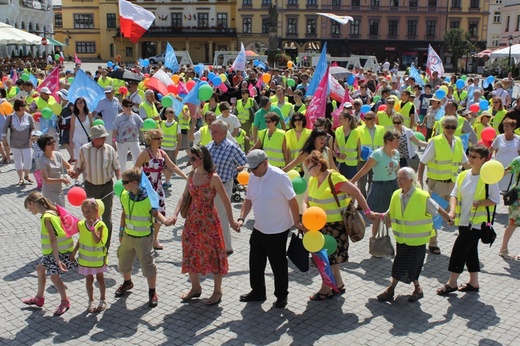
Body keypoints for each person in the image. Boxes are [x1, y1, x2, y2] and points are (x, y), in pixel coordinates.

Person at [303, 151, 376, 300]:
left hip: (334, 226)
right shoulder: (312, 180)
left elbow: (356, 191)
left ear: (318, 165)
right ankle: (339, 284)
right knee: (330, 259)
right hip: (318, 226)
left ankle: (325, 289)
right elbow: (305, 201)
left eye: (309, 168)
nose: (308, 172)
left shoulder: (334, 178)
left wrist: (367, 211)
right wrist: (306, 215)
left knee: (327, 259)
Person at [171, 146, 239, 305]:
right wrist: (174, 214)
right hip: (192, 221)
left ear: (202, 158)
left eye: (193, 158)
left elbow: (225, 200)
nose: (190, 161)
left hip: (209, 222)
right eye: (190, 159)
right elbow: (184, 195)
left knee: (213, 254)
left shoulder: (213, 178)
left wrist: (231, 221)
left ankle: (217, 291)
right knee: (190, 251)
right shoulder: (191, 175)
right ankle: (195, 288)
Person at [237, 150, 304, 308]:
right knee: (255, 262)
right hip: (259, 227)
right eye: (250, 168)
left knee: (278, 264)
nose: (251, 171)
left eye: (254, 168)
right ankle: (258, 292)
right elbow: (248, 200)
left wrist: (297, 221)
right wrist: (241, 218)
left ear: (265, 163)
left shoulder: (280, 177)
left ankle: (281, 295)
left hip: (277, 229)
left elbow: (293, 201)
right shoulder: (253, 176)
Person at [376, 167, 453, 302]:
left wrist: (448, 218)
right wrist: (378, 216)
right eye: (398, 178)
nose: (399, 181)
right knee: (401, 264)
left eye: (402, 178)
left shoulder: (422, 196)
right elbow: (390, 212)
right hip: (402, 239)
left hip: (418, 240)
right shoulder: (396, 194)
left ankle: (393, 289)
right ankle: (411, 288)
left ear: (411, 180)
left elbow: (436, 208)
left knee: (413, 266)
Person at [437, 145, 500, 295]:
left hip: (477, 224)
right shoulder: (463, 174)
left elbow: (495, 199)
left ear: (483, 160)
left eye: (474, 157)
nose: (470, 159)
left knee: (459, 250)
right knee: (471, 251)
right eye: (469, 155)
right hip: (463, 221)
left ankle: (451, 282)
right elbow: (454, 194)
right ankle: (474, 282)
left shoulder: (488, 178)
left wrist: (481, 203)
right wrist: (451, 211)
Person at [114, 167, 174, 307]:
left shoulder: (148, 198)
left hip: (144, 238)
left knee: (148, 266)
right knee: (123, 263)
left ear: (134, 183)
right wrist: (121, 232)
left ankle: (152, 292)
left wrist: (165, 221)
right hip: (128, 236)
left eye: (125, 182)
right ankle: (127, 282)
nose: (122, 184)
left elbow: (155, 213)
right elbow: (124, 214)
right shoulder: (124, 194)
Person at [418, 115, 469, 255]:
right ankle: (432, 243)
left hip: (453, 184)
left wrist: (477, 174)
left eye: (453, 127)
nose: (450, 129)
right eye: (448, 127)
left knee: (455, 213)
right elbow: (423, 161)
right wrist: (419, 180)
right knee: (435, 214)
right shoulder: (435, 142)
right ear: (442, 127)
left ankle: (461, 243)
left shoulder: (458, 141)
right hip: (437, 184)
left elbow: (465, 163)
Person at [22, 191, 78, 316]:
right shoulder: (53, 211)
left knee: (54, 277)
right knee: (40, 269)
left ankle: (65, 301)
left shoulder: (47, 218)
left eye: (28, 208)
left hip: (57, 252)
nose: (29, 211)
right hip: (53, 252)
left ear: (32, 203)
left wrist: (57, 260)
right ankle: (39, 298)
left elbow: (53, 239)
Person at [70, 125, 121, 250]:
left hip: (107, 187)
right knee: (91, 215)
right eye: (101, 137)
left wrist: (119, 180)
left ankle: (105, 246)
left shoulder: (110, 149)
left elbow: (117, 167)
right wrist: (75, 173)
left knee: (107, 217)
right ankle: (92, 242)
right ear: (94, 138)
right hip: (90, 187)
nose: (104, 139)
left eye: (104, 137)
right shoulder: (84, 150)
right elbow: (79, 166)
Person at [135, 129, 187, 249]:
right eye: (158, 138)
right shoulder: (145, 153)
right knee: (146, 213)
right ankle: (143, 240)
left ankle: (155, 239)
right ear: (151, 140)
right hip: (146, 187)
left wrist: (185, 176)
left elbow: (172, 166)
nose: (160, 140)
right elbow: (136, 169)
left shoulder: (162, 153)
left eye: (161, 138)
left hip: (158, 187)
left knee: (160, 211)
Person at [206, 119, 248, 254]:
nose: (212, 133)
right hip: (208, 186)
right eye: (211, 130)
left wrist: (236, 170)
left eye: (215, 131)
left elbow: (245, 163)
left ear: (224, 133)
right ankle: (226, 246)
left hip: (223, 185)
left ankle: (217, 246)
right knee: (221, 216)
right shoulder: (209, 146)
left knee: (216, 215)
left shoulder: (232, 147)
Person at [351, 131, 400, 238]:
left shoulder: (396, 153)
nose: (398, 143)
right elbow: (364, 170)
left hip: (393, 185)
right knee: (378, 217)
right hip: (380, 187)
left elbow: (398, 171)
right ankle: (375, 239)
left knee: (390, 215)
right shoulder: (377, 154)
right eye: (396, 141)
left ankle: (385, 238)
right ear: (388, 141)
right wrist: (351, 182)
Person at [70, 199, 108, 313]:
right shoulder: (81, 224)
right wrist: (74, 251)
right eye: (83, 211)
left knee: (100, 278)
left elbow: (97, 240)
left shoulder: (100, 225)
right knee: (89, 279)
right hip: (86, 260)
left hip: (98, 259)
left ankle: (102, 299)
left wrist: (92, 228)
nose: (85, 214)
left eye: (88, 211)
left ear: (96, 210)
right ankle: (91, 300)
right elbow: (81, 240)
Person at [2, 99, 35, 186]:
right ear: (17, 106)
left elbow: (33, 128)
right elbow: (4, 129)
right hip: (14, 143)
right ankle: (21, 178)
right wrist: (4, 141)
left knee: (28, 159)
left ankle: (26, 175)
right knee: (18, 161)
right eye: (22, 106)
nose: (24, 108)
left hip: (27, 143)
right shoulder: (10, 117)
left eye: (25, 105)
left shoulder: (29, 116)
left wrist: (32, 134)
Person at [37, 134, 73, 206]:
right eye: (49, 143)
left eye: (53, 141)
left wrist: (70, 170)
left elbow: (68, 166)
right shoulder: (42, 160)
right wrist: (61, 180)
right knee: (57, 212)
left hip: (59, 190)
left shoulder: (58, 155)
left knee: (62, 211)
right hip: (49, 191)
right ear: (44, 147)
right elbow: (45, 179)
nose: (53, 144)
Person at [356, 111, 385, 198]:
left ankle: (370, 200)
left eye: (369, 118)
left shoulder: (382, 129)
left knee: (373, 182)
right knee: (361, 182)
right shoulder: (358, 129)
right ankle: (362, 201)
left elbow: (384, 143)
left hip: (376, 160)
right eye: (365, 118)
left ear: (374, 119)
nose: (366, 120)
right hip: (362, 160)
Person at [490, 118, 520, 192]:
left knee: (511, 190)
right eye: (504, 126)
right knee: (497, 189)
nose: (505, 128)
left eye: (507, 126)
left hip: (512, 170)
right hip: (500, 168)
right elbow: (490, 150)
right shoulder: (499, 138)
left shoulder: (518, 139)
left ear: (513, 127)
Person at [113, 98, 143, 170]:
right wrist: (113, 141)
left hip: (134, 140)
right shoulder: (118, 117)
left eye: (130, 105)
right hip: (122, 141)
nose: (129, 107)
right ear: (123, 106)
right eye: (126, 106)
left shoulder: (136, 117)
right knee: (122, 160)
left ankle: (137, 174)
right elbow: (115, 131)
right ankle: (122, 176)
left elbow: (142, 126)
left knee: (138, 158)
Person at [500, 156, 520, 259]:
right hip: (518, 199)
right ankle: (503, 249)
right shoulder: (518, 160)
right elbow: (503, 172)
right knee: (513, 224)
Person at [160, 107, 182, 188]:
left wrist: (177, 148)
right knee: (164, 166)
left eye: (172, 115)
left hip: (172, 148)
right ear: (165, 115)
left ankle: (167, 181)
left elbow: (179, 137)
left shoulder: (176, 125)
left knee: (169, 166)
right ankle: (167, 180)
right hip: (163, 148)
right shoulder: (162, 123)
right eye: (169, 115)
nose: (170, 117)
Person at [334, 112, 360, 179]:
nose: (338, 120)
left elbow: (359, 147)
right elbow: (335, 146)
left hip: (352, 163)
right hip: (340, 161)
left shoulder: (356, 131)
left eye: (340, 118)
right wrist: (339, 154)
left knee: (350, 183)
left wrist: (359, 160)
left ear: (346, 119)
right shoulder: (338, 130)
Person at [69, 97, 93, 164]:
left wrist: (93, 138)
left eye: (81, 103)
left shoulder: (89, 114)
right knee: (78, 158)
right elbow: (71, 129)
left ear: (84, 104)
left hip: (86, 138)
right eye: (78, 103)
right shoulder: (74, 115)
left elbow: (91, 127)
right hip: (76, 138)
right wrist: (70, 141)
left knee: (87, 157)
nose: (79, 104)